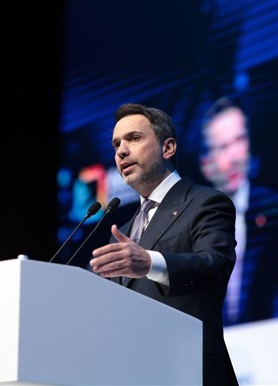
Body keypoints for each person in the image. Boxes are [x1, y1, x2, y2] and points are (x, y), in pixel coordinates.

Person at [90, 102, 239, 386]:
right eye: (116, 144)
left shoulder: (205, 202)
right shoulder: (122, 231)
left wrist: (150, 262)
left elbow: (215, 265)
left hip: (190, 370)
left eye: (134, 138)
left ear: (168, 148)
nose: (121, 151)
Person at [199, 96, 278, 326]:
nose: (235, 157)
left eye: (240, 140)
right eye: (223, 147)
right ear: (206, 164)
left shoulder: (276, 209)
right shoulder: (191, 227)